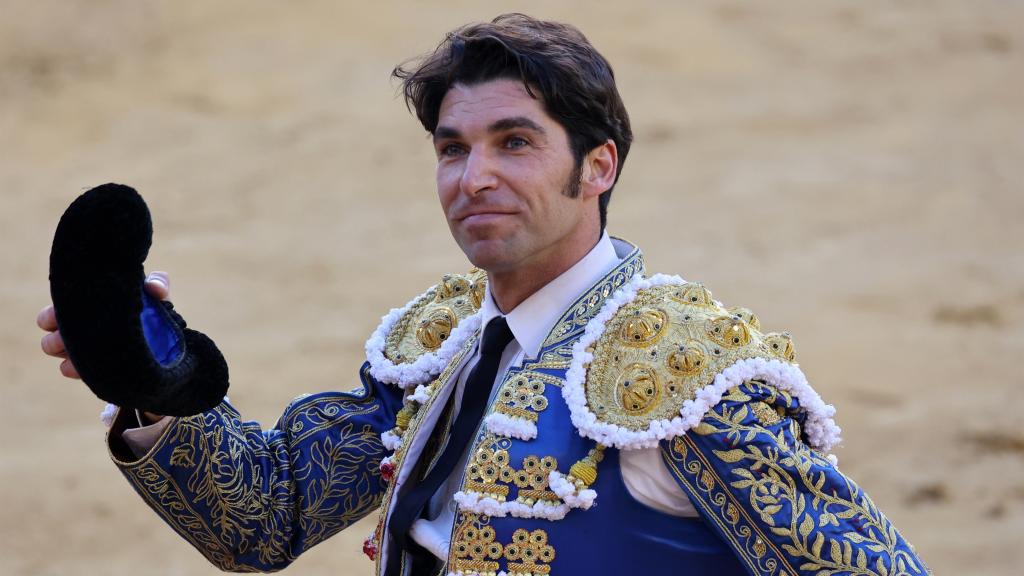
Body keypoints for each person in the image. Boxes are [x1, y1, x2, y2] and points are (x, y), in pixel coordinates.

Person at [37, 13, 930, 576]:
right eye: (454, 149)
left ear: (598, 165)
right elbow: (267, 516)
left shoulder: (687, 381)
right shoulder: (442, 343)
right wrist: (145, 371)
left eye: (515, 142)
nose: (475, 177)